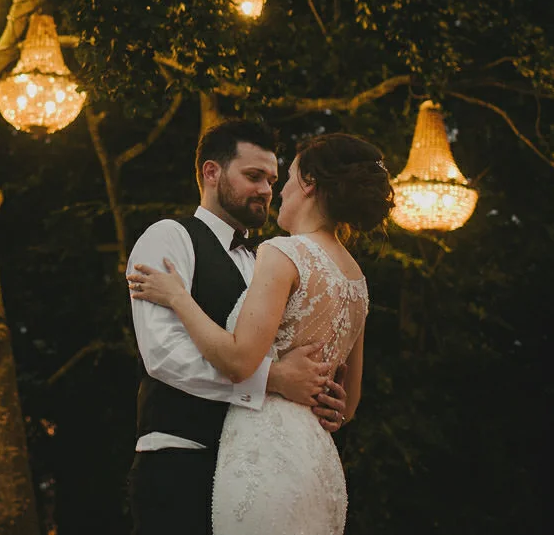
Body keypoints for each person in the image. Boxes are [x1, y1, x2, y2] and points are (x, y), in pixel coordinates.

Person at [129, 131, 395, 535]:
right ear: (212, 172)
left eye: (274, 179)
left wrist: (327, 398)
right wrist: (274, 379)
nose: (268, 190)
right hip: (184, 456)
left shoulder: (279, 256)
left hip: (268, 464)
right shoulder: (170, 238)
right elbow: (163, 355)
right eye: (255, 176)